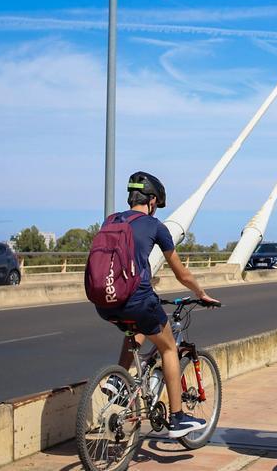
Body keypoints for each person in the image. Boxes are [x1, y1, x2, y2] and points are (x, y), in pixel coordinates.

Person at [96, 171, 219, 438]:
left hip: (105, 301)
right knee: (169, 347)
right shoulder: (155, 227)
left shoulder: (112, 220)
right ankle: (177, 418)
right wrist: (202, 293)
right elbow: (181, 274)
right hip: (138, 300)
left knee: (137, 327)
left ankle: (118, 379)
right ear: (151, 201)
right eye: (157, 205)